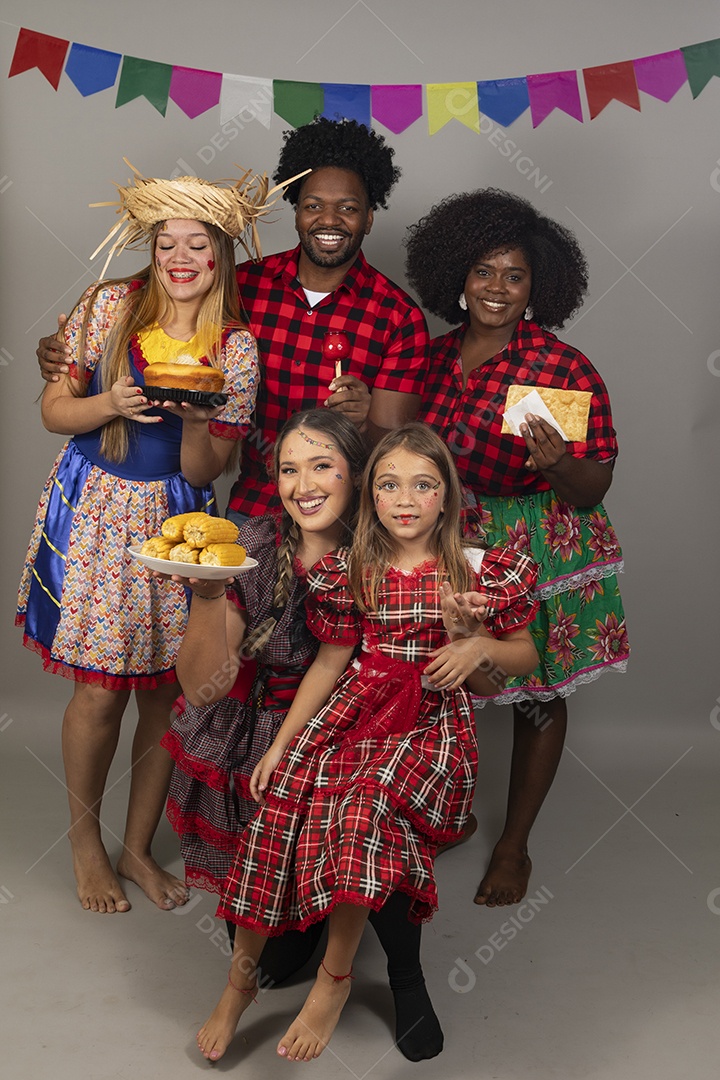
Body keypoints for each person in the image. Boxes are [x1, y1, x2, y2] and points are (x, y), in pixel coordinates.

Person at [197, 424, 539, 1063]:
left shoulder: (477, 567)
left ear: (447, 494)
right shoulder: (355, 567)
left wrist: (478, 643)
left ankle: (334, 979)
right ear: (369, 495)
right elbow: (331, 663)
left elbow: (523, 655)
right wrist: (280, 748)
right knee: (280, 807)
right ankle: (238, 983)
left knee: (364, 806)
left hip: (430, 726)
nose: (405, 500)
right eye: (388, 485)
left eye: (423, 485)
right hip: (358, 708)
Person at [15, 165, 285, 915]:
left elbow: (209, 468)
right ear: (151, 245)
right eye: (167, 240)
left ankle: (136, 849)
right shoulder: (109, 307)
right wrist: (111, 400)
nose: (181, 255)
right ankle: (84, 845)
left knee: (168, 697)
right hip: (95, 506)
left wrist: (197, 417)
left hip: (176, 519)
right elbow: (52, 413)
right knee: (100, 692)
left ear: (222, 253)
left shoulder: (235, 348)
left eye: (198, 242)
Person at [405, 188, 630, 908]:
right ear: (457, 278)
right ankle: (451, 813)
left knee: (538, 695)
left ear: (539, 286)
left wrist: (557, 463)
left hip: (537, 538)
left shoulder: (561, 368)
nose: (497, 289)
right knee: (438, 681)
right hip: (449, 536)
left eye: (514, 276)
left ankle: (514, 842)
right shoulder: (432, 359)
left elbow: (592, 487)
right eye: (483, 272)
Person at [35, 119, 429, 521]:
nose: (329, 220)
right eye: (313, 205)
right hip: (256, 503)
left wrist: (365, 421)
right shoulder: (242, 284)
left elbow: (399, 447)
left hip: (342, 515)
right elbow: (165, 290)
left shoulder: (399, 317)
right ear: (296, 212)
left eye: (347, 208)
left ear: (368, 219)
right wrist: (67, 341)